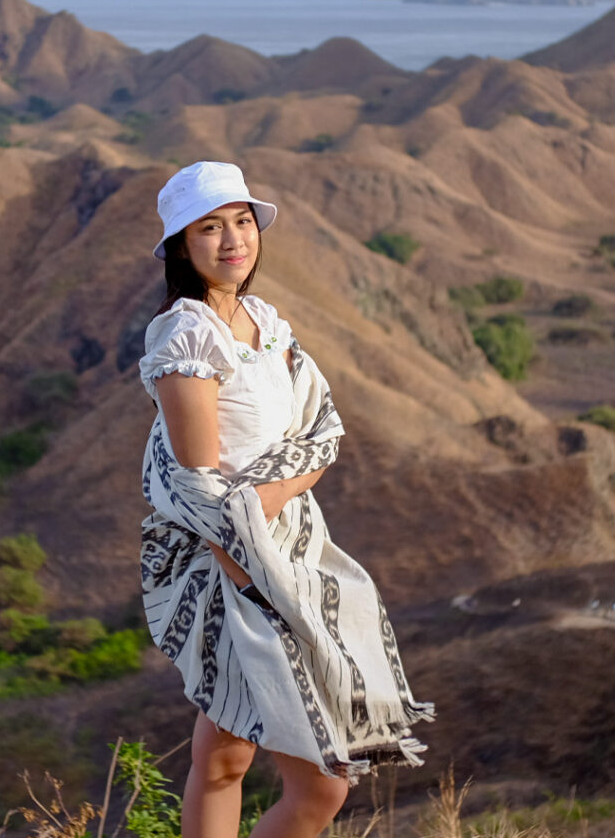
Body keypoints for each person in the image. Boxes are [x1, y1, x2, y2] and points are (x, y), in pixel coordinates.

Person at [139, 161, 433, 838]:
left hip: (292, 548)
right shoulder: (188, 336)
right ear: (182, 246)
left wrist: (288, 485)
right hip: (241, 571)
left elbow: (318, 430)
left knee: (224, 757)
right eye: (209, 227)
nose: (233, 239)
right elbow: (205, 494)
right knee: (324, 785)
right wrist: (253, 582)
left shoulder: (263, 321)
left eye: (242, 221)